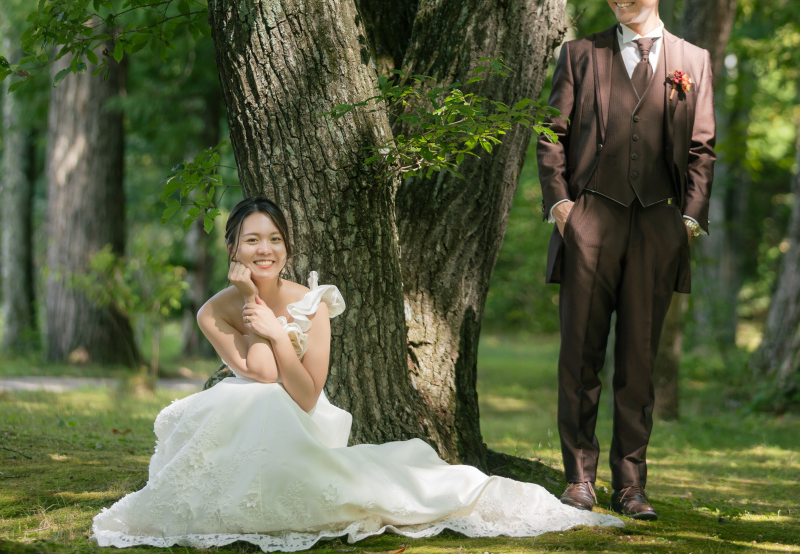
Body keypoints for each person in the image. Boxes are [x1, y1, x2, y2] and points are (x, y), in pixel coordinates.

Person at [93, 196, 623, 551]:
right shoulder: (212, 312)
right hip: (247, 412)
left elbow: (305, 395)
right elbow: (259, 373)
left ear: (287, 247)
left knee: (273, 407)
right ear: (232, 248)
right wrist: (253, 304)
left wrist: (275, 330)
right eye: (251, 240)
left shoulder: (315, 304)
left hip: (301, 420)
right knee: (251, 398)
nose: (264, 250)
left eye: (274, 239)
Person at [537, 0, 716, 521]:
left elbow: (702, 148)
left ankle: (632, 486)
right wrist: (562, 207)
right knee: (579, 357)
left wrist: (689, 219)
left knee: (638, 362)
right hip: (590, 219)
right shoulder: (580, 55)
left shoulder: (693, 61)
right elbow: (551, 134)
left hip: (660, 225)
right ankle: (579, 480)